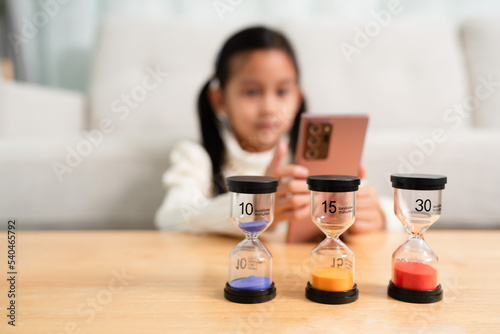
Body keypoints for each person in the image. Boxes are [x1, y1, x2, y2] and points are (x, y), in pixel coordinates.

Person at [155, 26, 386, 238]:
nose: (269, 108)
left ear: (298, 98)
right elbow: (170, 217)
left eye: (283, 91)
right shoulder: (195, 156)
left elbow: (380, 209)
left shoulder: (313, 159)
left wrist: (378, 216)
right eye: (252, 92)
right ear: (220, 100)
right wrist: (255, 205)